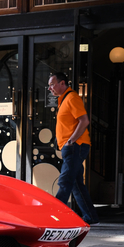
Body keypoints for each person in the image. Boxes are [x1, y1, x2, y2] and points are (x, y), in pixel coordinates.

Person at [48, 72, 99, 225]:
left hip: (75, 146)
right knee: (76, 183)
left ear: (62, 83)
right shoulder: (63, 100)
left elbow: (84, 121)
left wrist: (71, 140)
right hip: (72, 146)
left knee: (65, 181)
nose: (50, 88)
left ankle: (54, 218)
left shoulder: (72, 98)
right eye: (49, 85)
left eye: (52, 84)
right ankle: (90, 216)